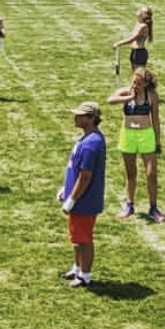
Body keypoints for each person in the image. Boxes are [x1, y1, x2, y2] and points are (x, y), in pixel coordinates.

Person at [58, 102, 107, 288]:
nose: (76, 118)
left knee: (84, 238)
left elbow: (85, 176)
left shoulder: (91, 144)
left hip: (84, 201)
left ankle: (85, 275)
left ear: (92, 119)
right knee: (76, 236)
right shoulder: (87, 139)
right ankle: (77, 268)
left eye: (80, 116)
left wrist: (72, 199)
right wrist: (66, 189)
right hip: (80, 198)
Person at [107, 66, 165, 221]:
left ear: (145, 84)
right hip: (128, 135)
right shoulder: (126, 91)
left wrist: (158, 140)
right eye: (134, 82)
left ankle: (153, 207)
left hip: (146, 135)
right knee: (130, 173)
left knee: (151, 174)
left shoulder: (151, 95)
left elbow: (156, 119)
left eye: (139, 84)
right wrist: (128, 97)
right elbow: (110, 100)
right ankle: (129, 205)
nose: (135, 86)